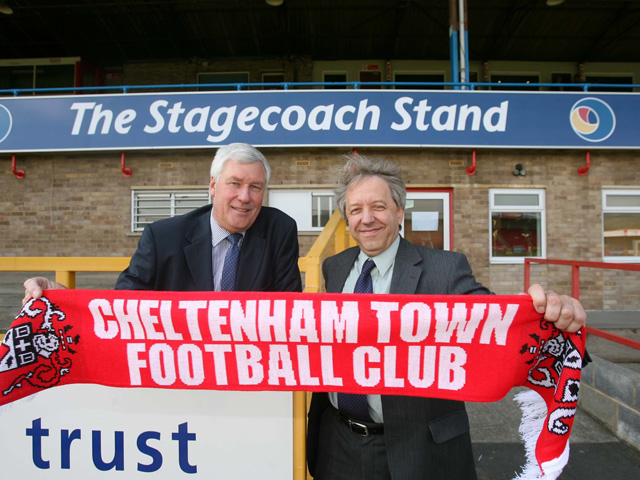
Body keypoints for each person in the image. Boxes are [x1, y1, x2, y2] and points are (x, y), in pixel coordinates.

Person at [306, 154, 586, 480]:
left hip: (421, 450)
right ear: (346, 218)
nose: (366, 219)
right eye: (355, 210)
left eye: (378, 207)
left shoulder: (445, 268)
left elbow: (495, 323)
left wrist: (549, 315)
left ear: (399, 211)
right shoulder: (335, 267)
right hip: (339, 443)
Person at [23, 142, 302, 300]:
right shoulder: (163, 237)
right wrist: (64, 299)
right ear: (213, 186)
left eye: (255, 187)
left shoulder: (280, 230)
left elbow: (290, 309)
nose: (245, 197)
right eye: (235, 183)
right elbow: (124, 303)